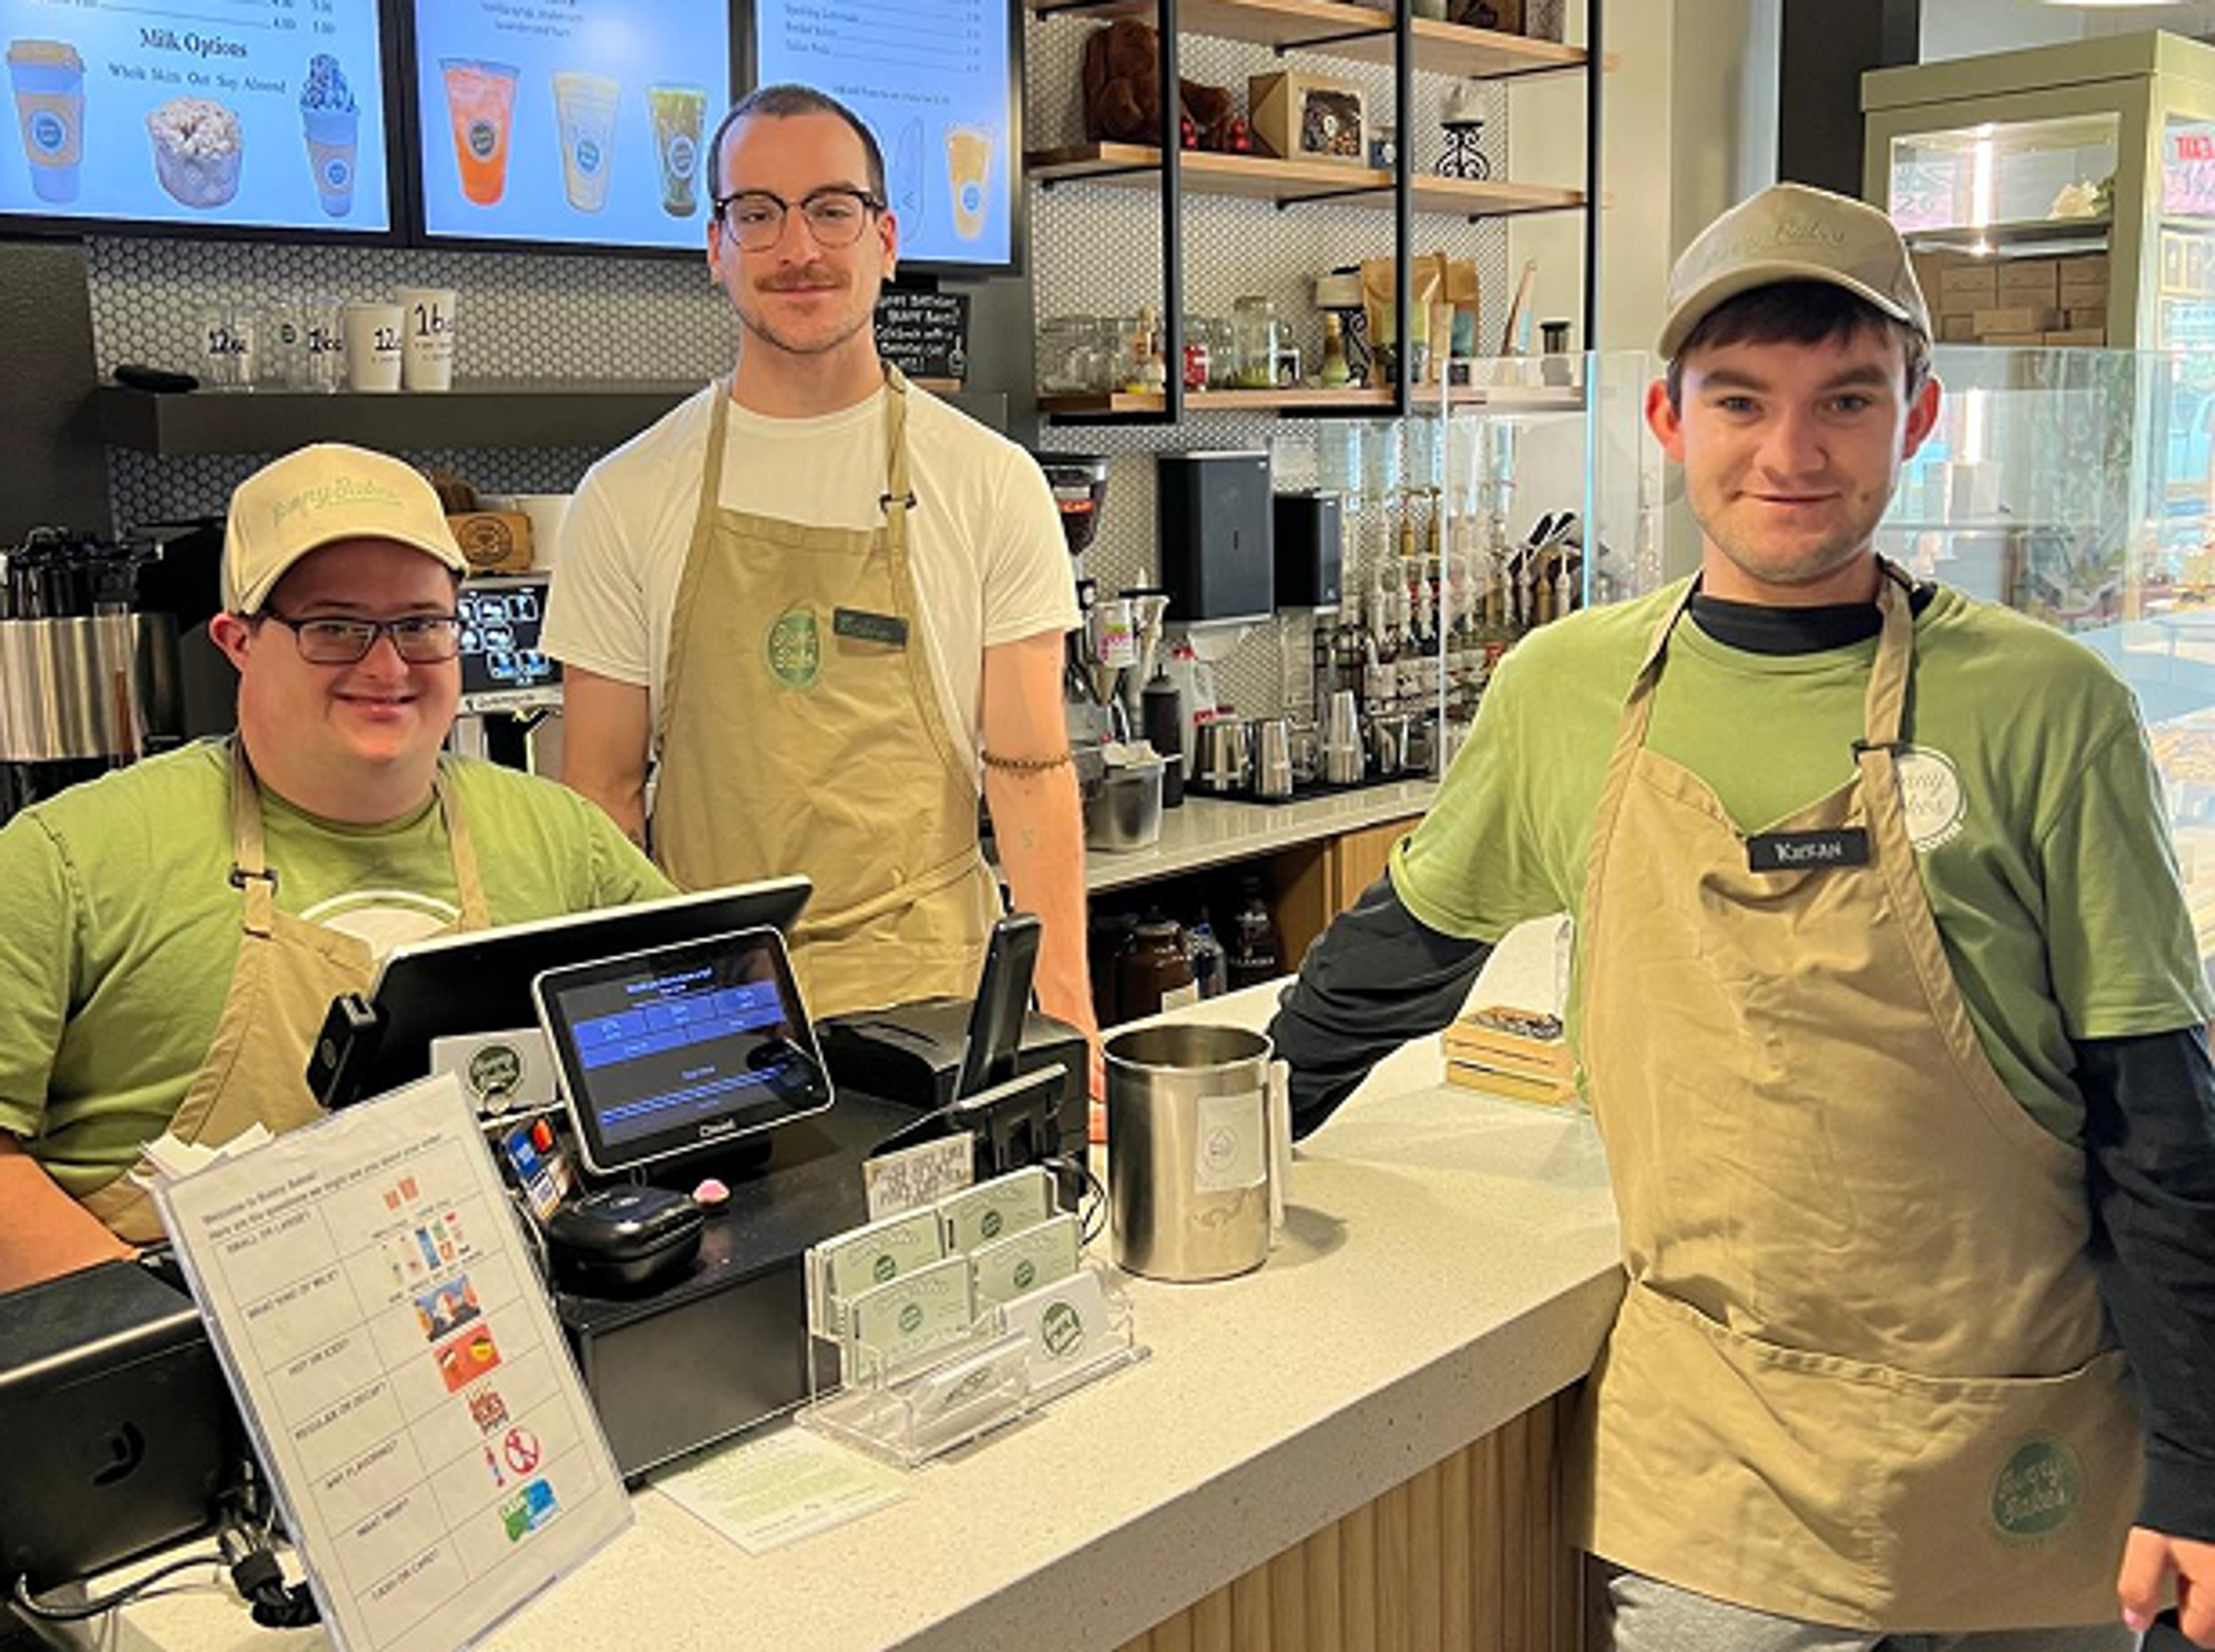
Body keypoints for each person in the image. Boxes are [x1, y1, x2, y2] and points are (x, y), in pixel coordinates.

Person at [1268, 182, 2215, 1650]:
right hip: (1722, 1459)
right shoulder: (1565, 689)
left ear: (1919, 415)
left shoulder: (2049, 706)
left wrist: (2203, 1468)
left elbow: (2159, 1118)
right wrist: (1228, 1130)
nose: (1791, 453)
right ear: (1667, 420)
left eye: (1845, 398)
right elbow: (1407, 947)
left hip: (2032, 1442)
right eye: (1739, 400)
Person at [0, 444, 673, 1291]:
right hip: (174, 1383)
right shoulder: (66, 859)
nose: (386, 667)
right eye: (335, 628)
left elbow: (693, 1043)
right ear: (237, 640)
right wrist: (164, 1343)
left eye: (421, 624)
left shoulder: (559, 837)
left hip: (502, 1339)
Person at [546, 84, 1095, 1053]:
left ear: (885, 239)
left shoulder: (990, 482)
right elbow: (600, 798)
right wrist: (620, 1047)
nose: (798, 249)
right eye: (756, 215)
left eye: (831, 210)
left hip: (935, 1000)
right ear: (714, 248)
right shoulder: (625, 494)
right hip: (708, 1012)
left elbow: (1027, 767)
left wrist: (1063, 999)